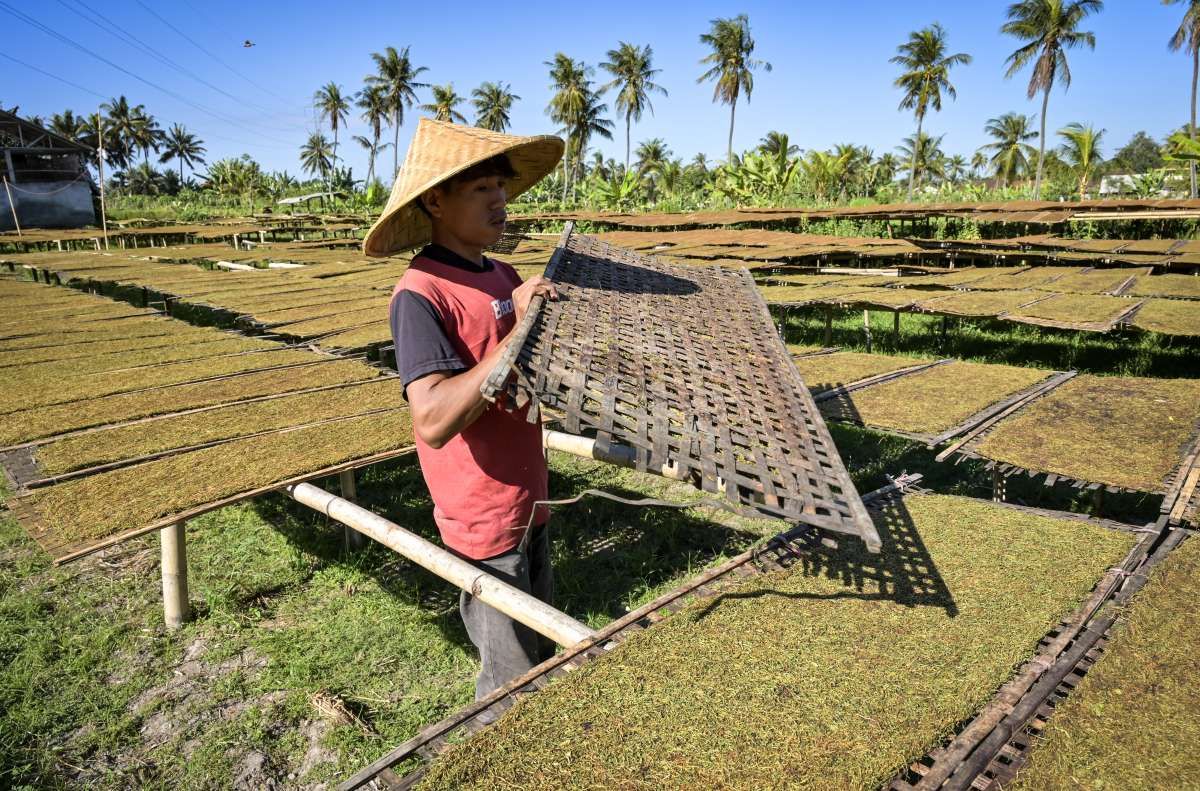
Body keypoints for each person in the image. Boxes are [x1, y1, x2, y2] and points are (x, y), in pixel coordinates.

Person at [362, 119, 565, 699]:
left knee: (540, 650)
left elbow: (524, 362)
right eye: (481, 190)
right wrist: (517, 332)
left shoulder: (501, 273)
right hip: (481, 516)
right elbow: (432, 418)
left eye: (501, 187)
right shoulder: (420, 295)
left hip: (530, 496)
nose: (499, 200)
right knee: (510, 682)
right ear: (436, 200)